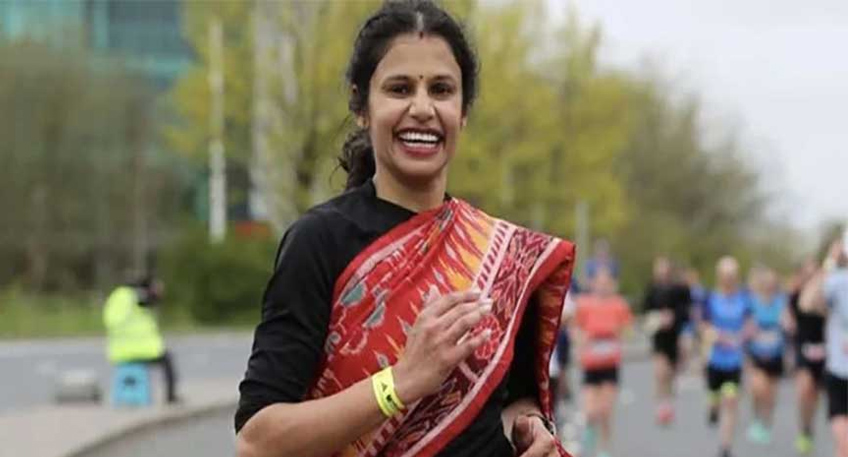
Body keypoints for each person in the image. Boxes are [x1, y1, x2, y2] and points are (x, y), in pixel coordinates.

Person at [233, 2, 575, 457]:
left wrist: (529, 426)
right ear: (362, 106)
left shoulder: (503, 254)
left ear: (463, 110)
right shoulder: (320, 241)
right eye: (398, 89)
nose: (422, 108)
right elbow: (258, 442)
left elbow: (512, 400)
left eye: (441, 90)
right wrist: (399, 383)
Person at [572, 268, 632, 457]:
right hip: (590, 364)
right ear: (593, 284)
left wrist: (616, 332)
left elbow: (628, 330)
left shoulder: (619, 304)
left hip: (610, 364)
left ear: (612, 285)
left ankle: (604, 451)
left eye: (607, 283)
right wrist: (582, 341)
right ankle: (588, 445)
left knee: (605, 411)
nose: (603, 287)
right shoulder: (584, 303)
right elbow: (575, 329)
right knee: (590, 412)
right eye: (600, 283)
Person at [801, 237, 848, 457]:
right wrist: (830, 262)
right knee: (844, 444)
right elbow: (807, 303)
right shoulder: (838, 281)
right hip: (840, 371)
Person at [700, 256, 751, 457]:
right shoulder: (711, 298)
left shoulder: (743, 299)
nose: (729, 278)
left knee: (730, 401)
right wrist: (713, 334)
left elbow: (749, 323)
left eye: (732, 275)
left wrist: (744, 334)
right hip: (715, 359)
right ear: (719, 276)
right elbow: (703, 324)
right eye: (725, 275)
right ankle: (712, 407)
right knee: (715, 399)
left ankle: (725, 447)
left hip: (734, 360)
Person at [102, 275, 179, 404]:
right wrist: (156, 293)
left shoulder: (117, 297)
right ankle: (170, 397)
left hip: (118, 351)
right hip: (139, 350)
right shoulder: (135, 296)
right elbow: (149, 301)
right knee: (167, 360)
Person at [642, 256, 691, 425]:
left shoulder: (679, 289)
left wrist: (673, 317)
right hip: (659, 335)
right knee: (660, 371)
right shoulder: (652, 289)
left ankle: (668, 403)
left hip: (674, 335)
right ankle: (661, 406)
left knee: (670, 372)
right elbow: (645, 309)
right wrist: (656, 318)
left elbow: (686, 312)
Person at [785, 258, 824, 454]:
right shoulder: (797, 294)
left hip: (825, 349)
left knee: (815, 393)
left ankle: (809, 426)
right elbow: (790, 314)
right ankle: (804, 428)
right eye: (807, 273)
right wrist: (788, 323)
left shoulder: (828, 293)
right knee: (804, 389)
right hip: (803, 346)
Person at [745, 267, 786, 445]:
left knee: (771, 394)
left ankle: (766, 422)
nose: (769, 285)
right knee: (758, 388)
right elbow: (746, 323)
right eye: (766, 282)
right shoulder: (753, 302)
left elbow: (787, 323)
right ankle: (756, 418)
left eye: (772, 282)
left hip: (776, 354)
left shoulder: (781, 302)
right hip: (757, 354)